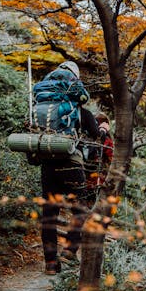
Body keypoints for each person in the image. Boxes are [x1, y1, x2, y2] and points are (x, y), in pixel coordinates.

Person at [38, 61, 109, 275]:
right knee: (80, 208)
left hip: (47, 165)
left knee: (49, 214)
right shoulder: (81, 111)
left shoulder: (42, 107)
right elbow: (97, 136)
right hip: (72, 164)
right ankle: (69, 250)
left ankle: (51, 263)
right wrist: (104, 128)